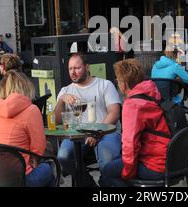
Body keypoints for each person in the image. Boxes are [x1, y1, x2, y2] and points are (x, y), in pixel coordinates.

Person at [54, 53, 121, 187]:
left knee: (108, 162)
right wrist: (61, 101)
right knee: (63, 157)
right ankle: (90, 185)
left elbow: (114, 113)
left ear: (87, 67)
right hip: (78, 134)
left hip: (106, 132)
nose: (73, 72)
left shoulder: (105, 85)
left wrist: (96, 132)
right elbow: (56, 121)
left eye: (77, 68)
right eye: (70, 69)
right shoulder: (65, 91)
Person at [0, 70, 55, 187]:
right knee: (48, 167)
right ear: (26, 87)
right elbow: (38, 148)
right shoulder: (31, 110)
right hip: (18, 180)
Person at [102, 59, 168, 187]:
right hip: (169, 159)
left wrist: (127, 173)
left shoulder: (132, 105)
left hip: (155, 165)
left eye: (118, 80)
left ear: (123, 84)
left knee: (107, 171)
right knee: (114, 165)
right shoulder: (152, 91)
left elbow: (130, 144)